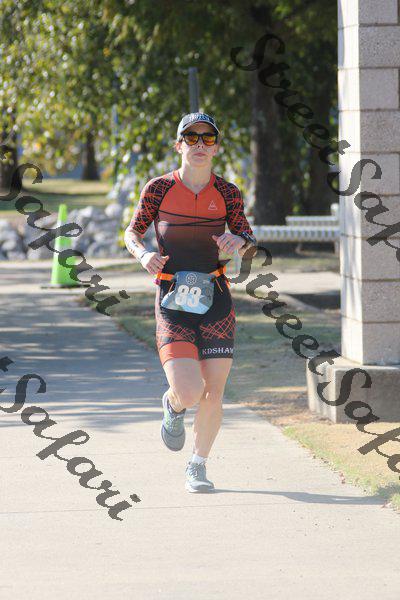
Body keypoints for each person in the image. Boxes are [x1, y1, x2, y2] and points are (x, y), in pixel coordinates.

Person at [124, 112, 257, 493]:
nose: (199, 144)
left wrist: (239, 241)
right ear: (178, 145)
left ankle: (197, 465)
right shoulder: (158, 189)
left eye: (207, 138)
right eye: (191, 137)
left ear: (216, 147)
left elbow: (248, 237)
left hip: (216, 300)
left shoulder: (228, 192)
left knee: (214, 391)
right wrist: (143, 255)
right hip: (172, 302)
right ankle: (173, 405)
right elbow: (132, 232)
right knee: (189, 391)